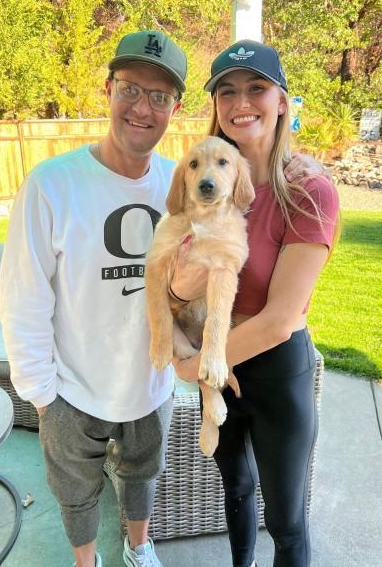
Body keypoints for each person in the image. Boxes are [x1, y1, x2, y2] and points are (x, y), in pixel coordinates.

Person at [0, 29, 324, 567]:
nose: (142, 108)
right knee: (76, 490)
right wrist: (39, 390)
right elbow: (23, 294)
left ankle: (139, 546)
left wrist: (301, 163)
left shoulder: (179, 185)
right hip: (73, 387)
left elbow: (242, 207)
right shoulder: (52, 183)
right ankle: (87, 561)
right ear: (108, 90)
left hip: (152, 381)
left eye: (159, 96)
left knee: (143, 474)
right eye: (129, 88)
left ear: (174, 108)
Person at [172, 40, 340, 567]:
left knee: (286, 522)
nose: (241, 101)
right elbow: (179, 284)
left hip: (273, 372)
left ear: (283, 101)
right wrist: (179, 293)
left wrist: (188, 366)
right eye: (228, 91)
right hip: (219, 373)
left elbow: (279, 320)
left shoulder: (309, 191)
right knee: (236, 490)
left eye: (256, 88)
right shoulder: (208, 183)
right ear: (217, 106)